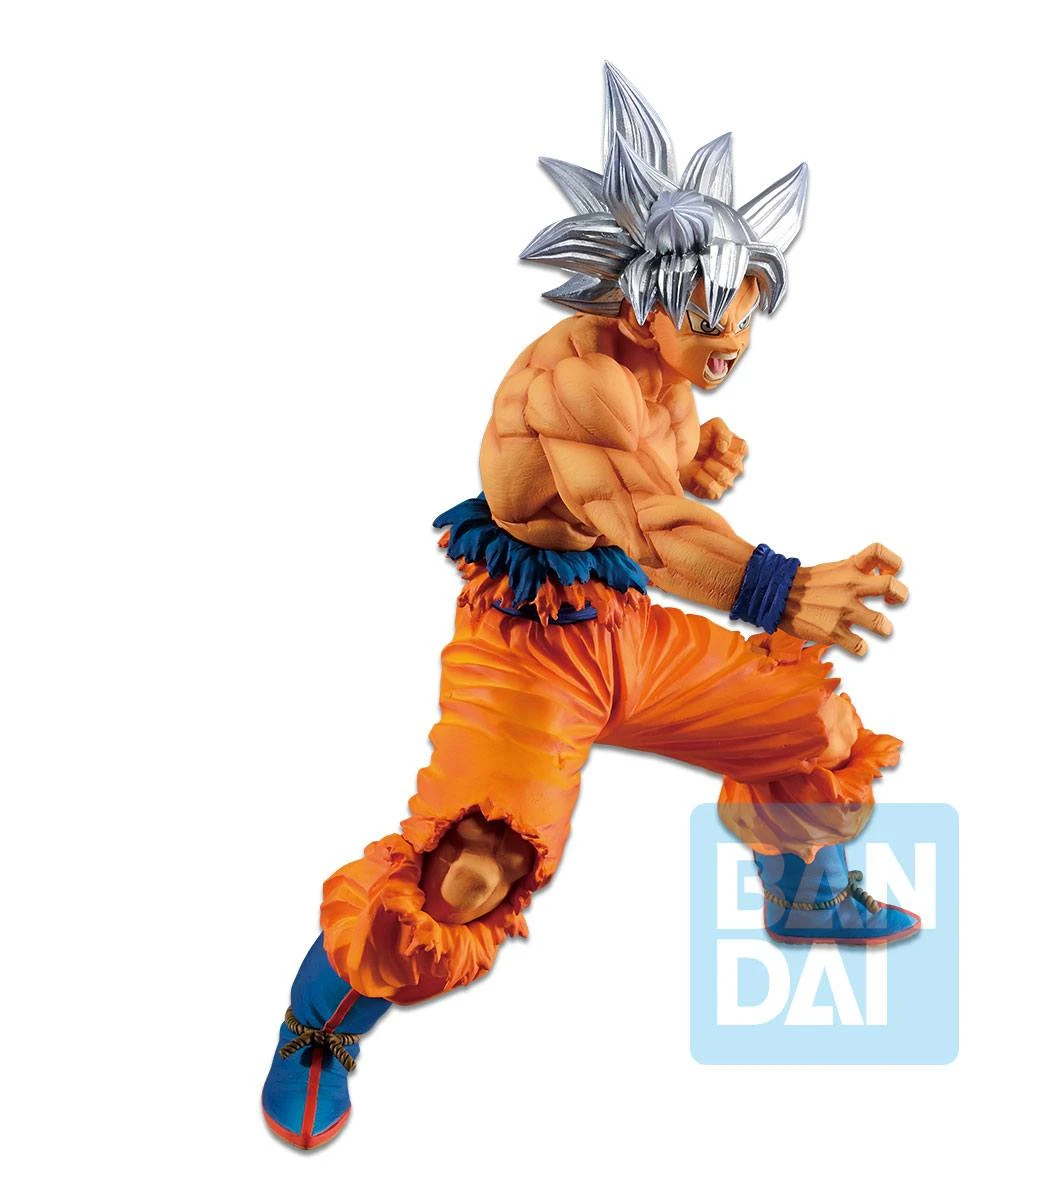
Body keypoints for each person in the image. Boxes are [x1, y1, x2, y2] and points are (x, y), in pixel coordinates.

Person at [262, 63, 916, 1151]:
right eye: (712, 319)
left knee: (814, 722)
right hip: (527, 654)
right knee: (471, 874)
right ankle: (316, 1028)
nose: (732, 344)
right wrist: (783, 587)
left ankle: (803, 895)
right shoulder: (576, 382)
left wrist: (696, 461)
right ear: (648, 302)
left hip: (624, 633)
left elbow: (645, 488)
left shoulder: (665, 373)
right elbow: (649, 529)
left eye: (743, 319)